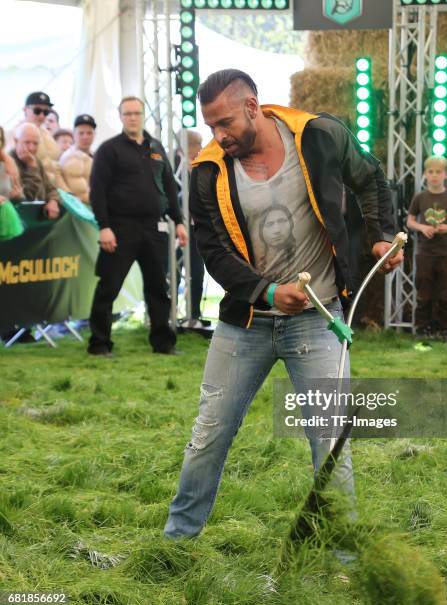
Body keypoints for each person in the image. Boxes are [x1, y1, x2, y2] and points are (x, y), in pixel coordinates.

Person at [164, 69, 401, 540]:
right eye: (211, 126)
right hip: (246, 323)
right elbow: (213, 253)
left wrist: (379, 238)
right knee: (208, 435)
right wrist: (270, 293)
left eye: (226, 122)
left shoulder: (318, 135)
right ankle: (175, 543)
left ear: (253, 106)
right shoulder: (207, 171)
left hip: (319, 319)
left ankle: (343, 556)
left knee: (330, 444)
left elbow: (371, 176)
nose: (219, 135)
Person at [87, 96, 188, 356]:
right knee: (108, 286)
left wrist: (178, 222)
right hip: (119, 228)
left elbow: (168, 185)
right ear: (121, 117)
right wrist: (104, 226)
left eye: (137, 113)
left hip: (154, 228)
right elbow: (97, 192)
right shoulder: (109, 150)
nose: (132, 117)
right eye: (127, 113)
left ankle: (163, 343)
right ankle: (99, 344)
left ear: (143, 116)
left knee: (158, 288)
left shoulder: (155, 147)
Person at [407, 156, 447, 339]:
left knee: (446, 293)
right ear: (425, 174)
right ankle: (422, 330)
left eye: (438, 172)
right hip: (425, 252)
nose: (434, 175)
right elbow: (410, 220)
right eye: (430, 172)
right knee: (424, 291)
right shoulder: (420, 197)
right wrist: (422, 227)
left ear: (445, 175)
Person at [175, 130, 208, 325]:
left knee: (197, 272)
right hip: (176, 227)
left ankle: (194, 314)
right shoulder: (172, 163)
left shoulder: (201, 167)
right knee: (175, 271)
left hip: (196, 228)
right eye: (197, 144)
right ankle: (172, 313)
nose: (201, 149)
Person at [7, 92, 67, 190]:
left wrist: (66, 192)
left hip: (53, 190)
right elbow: (12, 167)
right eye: (37, 110)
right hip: (32, 189)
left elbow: (55, 168)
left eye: (46, 112)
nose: (42, 115)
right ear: (25, 110)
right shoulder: (16, 133)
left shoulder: (47, 134)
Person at [9, 123, 60, 219]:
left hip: (38, 218)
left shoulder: (35, 160)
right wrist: (31, 167)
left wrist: (53, 201)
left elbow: (50, 188)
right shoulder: (9, 162)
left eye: (35, 143)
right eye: (27, 142)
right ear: (16, 142)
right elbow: (29, 198)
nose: (31, 148)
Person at [60, 115, 96, 204]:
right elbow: (81, 194)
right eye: (81, 133)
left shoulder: (95, 156)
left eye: (89, 133)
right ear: (74, 134)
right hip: (82, 210)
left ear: (94, 134)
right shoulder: (71, 157)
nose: (85, 137)